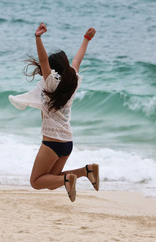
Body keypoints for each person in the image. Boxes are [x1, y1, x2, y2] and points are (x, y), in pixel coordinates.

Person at [9, 23, 99, 202]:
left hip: (52, 143)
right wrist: (86, 39)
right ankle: (87, 170)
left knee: (36, 182)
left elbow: (42, 61)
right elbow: (77, 60)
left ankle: (68, 180)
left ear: (53, 68)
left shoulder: (51, 84)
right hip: (67, 142)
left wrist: (38, 37)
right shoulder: (73, 81)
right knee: (51, 180)